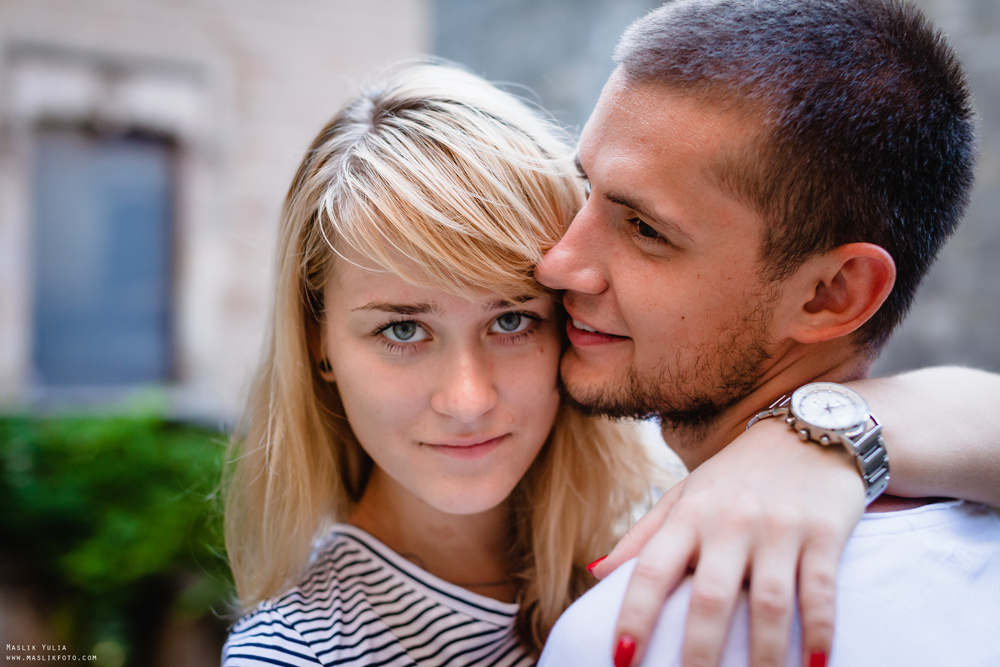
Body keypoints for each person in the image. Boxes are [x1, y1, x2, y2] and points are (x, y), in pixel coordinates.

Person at [534, 1, 1000, 666]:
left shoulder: (638, 630)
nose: (558, 264)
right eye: (587, 190)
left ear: (830, 294)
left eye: (645, 229)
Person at [219, 60, 659, 666]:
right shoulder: (294, 656)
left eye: (511, 321)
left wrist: (806, 446)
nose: (468, 398)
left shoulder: (669, 523)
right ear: (317, 342)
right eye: (404, 329)